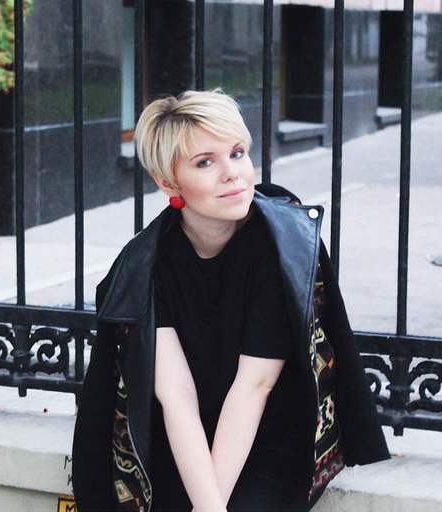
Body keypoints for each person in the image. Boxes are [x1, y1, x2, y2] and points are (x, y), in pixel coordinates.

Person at [71, 88, 390, 512]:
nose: (232, 174)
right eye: (205, 162)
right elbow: (176, 395)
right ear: (168, 182)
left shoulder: (277, 244)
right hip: (182, 432)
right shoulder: (148, 263)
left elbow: (254, 386)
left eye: (237, 153)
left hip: (270, 430)